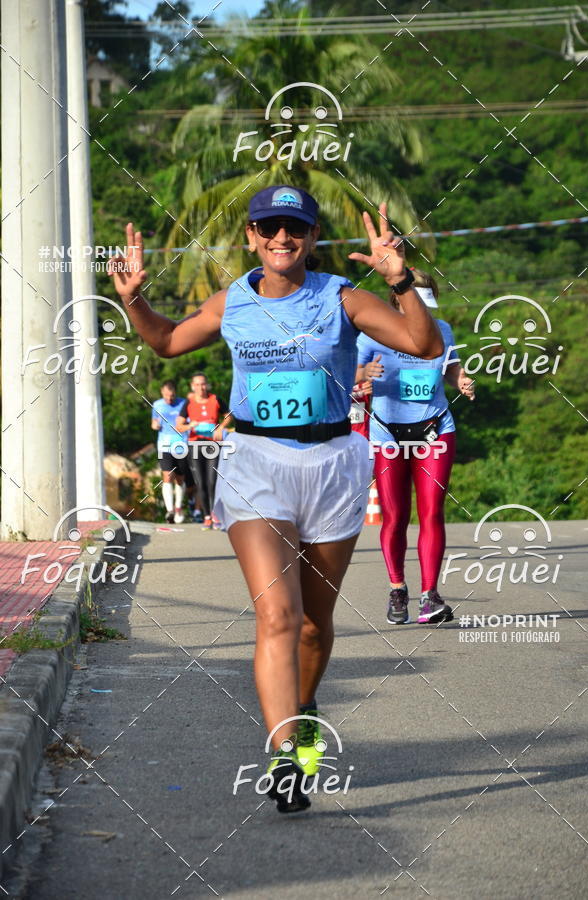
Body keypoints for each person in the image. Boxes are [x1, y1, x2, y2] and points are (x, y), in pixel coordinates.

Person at [111, 185, 442, 812]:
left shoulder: (344, 297)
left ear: (313, 238)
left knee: (315, 625)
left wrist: (401, 282)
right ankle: (285, 755)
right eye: (269, 228)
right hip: (256, 464)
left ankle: (306, 706)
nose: (281, 238)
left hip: (332, 464)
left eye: (294, 228)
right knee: (278, 618)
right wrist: (136, 302)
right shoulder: (231, 301)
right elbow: (166, 342)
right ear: (251, 237)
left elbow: (423, 345)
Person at [356, 269, 475, 626]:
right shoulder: (376, 330)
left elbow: (451, 369)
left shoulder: (444, 330)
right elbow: (350, 372)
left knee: (432, 512)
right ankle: (397, 589)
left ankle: (430, 595)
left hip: (434, 429)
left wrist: (462, 380)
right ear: (398, 297)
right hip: (389, 432)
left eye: (426, 295)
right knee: (395, 516)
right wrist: (364, 376)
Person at [176, 372, 231, 528]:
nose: (201, 387)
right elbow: (179, 426)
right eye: (197, 385)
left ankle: (215, 515)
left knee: (212, 481)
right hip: (195, 444)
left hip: (212, 444)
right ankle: (206, 516)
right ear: (193, 387)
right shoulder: (188, 403)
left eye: (203, 384)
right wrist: (189, 426)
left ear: (207, 385)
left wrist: (220, 427)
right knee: (201, 482)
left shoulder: (216, 399)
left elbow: (228, 415)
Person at [151, 380, 191, 524]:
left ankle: (178, 508)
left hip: (181, 445)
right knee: (167, 476)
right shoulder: (157, 405)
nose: (169, 398)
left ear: (176, 393)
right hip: (164, 445)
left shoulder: (184, 403)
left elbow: (190, 423)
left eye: (172, 396)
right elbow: (154, 422)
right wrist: (155, 425)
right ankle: (170, 511)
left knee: (179, 478)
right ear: (162, 393)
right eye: (167, 396)